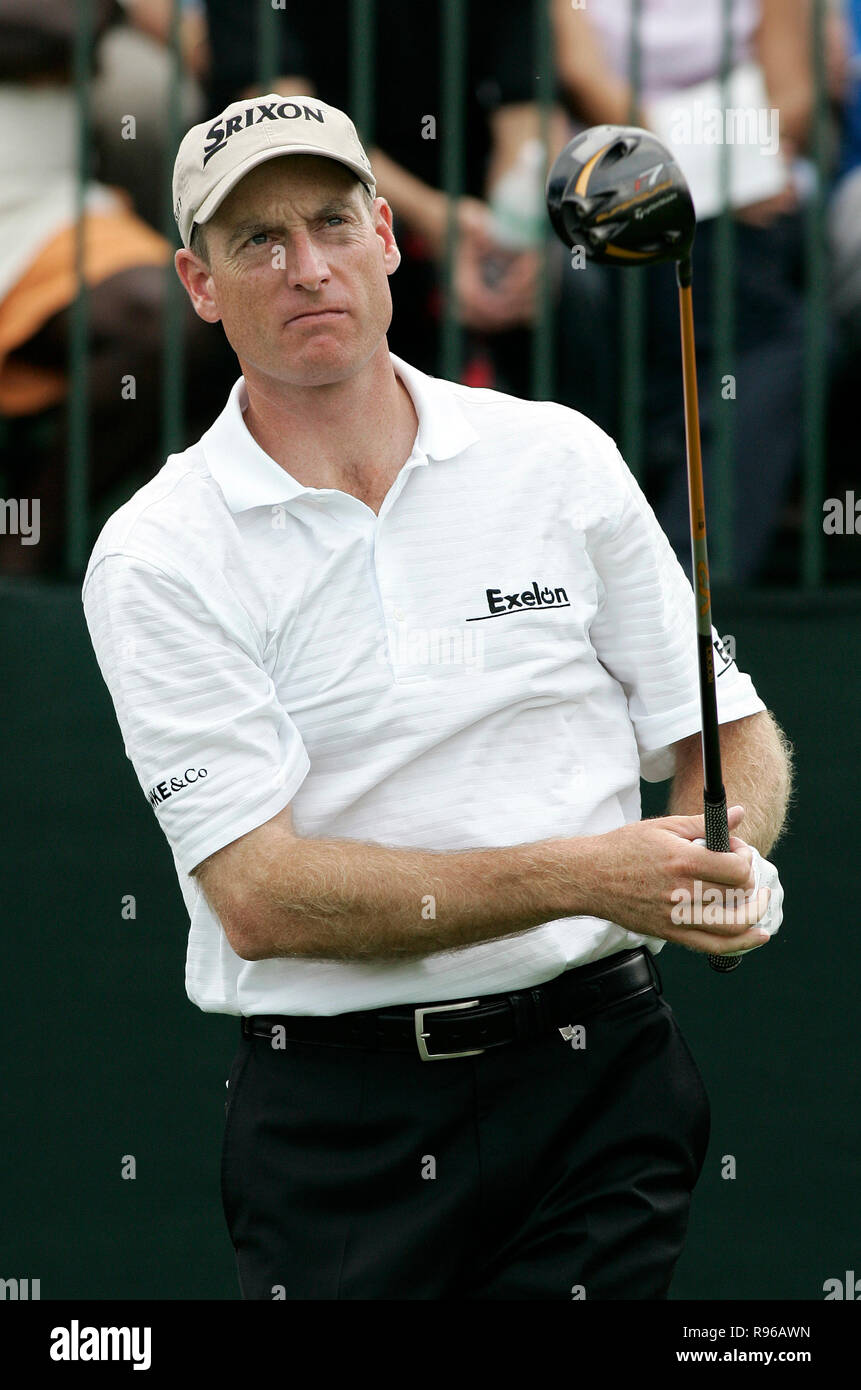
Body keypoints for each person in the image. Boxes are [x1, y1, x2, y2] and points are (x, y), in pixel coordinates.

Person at [82, 94, 792, 1300]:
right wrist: (597, 874)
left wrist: (726, 858)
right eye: (258, 241)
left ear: (389, 240)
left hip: (600, 1090)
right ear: (200, 285)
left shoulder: (557, 455)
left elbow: (724, 735)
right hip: (337, 1125)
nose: (307, 266)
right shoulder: (156, 552)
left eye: (331, 221)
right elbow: (260, 896)